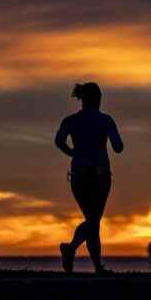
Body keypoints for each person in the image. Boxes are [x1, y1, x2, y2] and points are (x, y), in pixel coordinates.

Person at [55, 82, 124, 274]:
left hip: (78, 176)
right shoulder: (106, 120)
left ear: (82, 100)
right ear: (98, 99)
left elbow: (58, 141)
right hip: (100, 176)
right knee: (93, 220)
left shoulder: (70, 121)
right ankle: (71, 248)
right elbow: (118, 146)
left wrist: (72, 152)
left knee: (92, 220)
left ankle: (97, 266)